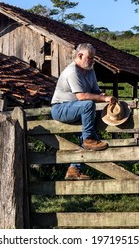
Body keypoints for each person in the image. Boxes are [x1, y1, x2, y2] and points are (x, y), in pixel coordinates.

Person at [51, 43, 117, 180]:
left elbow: (95, 92)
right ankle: (88, 139)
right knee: (88, 106)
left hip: (76, 109)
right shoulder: (72, 72)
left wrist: (102, 96)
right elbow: (81, 97)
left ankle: (74, 169)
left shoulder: (90, 71)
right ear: (80, 55)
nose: (93, 61)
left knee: (91, 134)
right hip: (60, 108)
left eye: (94, 58)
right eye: (90, 58)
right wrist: (102, 98)